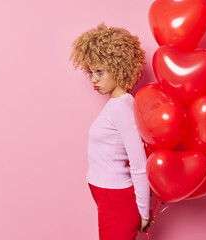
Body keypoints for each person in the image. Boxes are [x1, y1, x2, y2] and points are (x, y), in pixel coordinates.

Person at [69, 22, 153, 240]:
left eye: (100, 71)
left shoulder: (123, 106)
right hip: (107, 197)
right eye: (90, 72)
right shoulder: (115, 105)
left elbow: (139, 164)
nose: (94, 79)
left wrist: (143, 212)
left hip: (116, 200)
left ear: (118, 67)